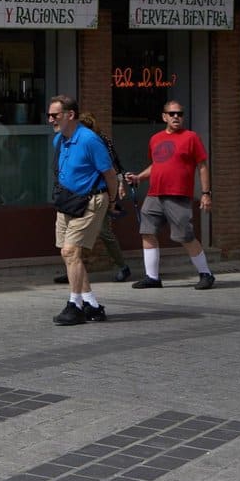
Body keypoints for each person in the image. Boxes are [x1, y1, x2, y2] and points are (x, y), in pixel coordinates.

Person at [124, 100, 215, 290]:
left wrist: (206, 193)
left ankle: (206, 274)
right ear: (164, 116)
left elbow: (203, 166)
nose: (176, 117)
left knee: (185, 235)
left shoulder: (191, 137)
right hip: (154, 194)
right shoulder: (155, 139)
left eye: (179, 114)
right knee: (147, 232)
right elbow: (157, 165)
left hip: (178, 195)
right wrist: (139, 177)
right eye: (172, 113)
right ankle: (152, 277)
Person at [48, 95, 119, 326]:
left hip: (90, 201)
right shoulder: (59, 140)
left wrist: (113, 200)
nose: (50, 120)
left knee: (71, 252)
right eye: (49, 115)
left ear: (70, 115)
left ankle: (74, 306)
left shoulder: (89, 140)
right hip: (67, 203)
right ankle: (92, 305)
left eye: (55, 115)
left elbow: (110, 174)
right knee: (68, 255)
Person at [53, 112, 132, 284]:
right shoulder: (67, 140)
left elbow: (113, 167)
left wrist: (117, 190)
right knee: (71, 241)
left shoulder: (97, 141)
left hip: (97, 194)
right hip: (76, 197)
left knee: (104, 232)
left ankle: (122, 266)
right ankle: (73, 270)